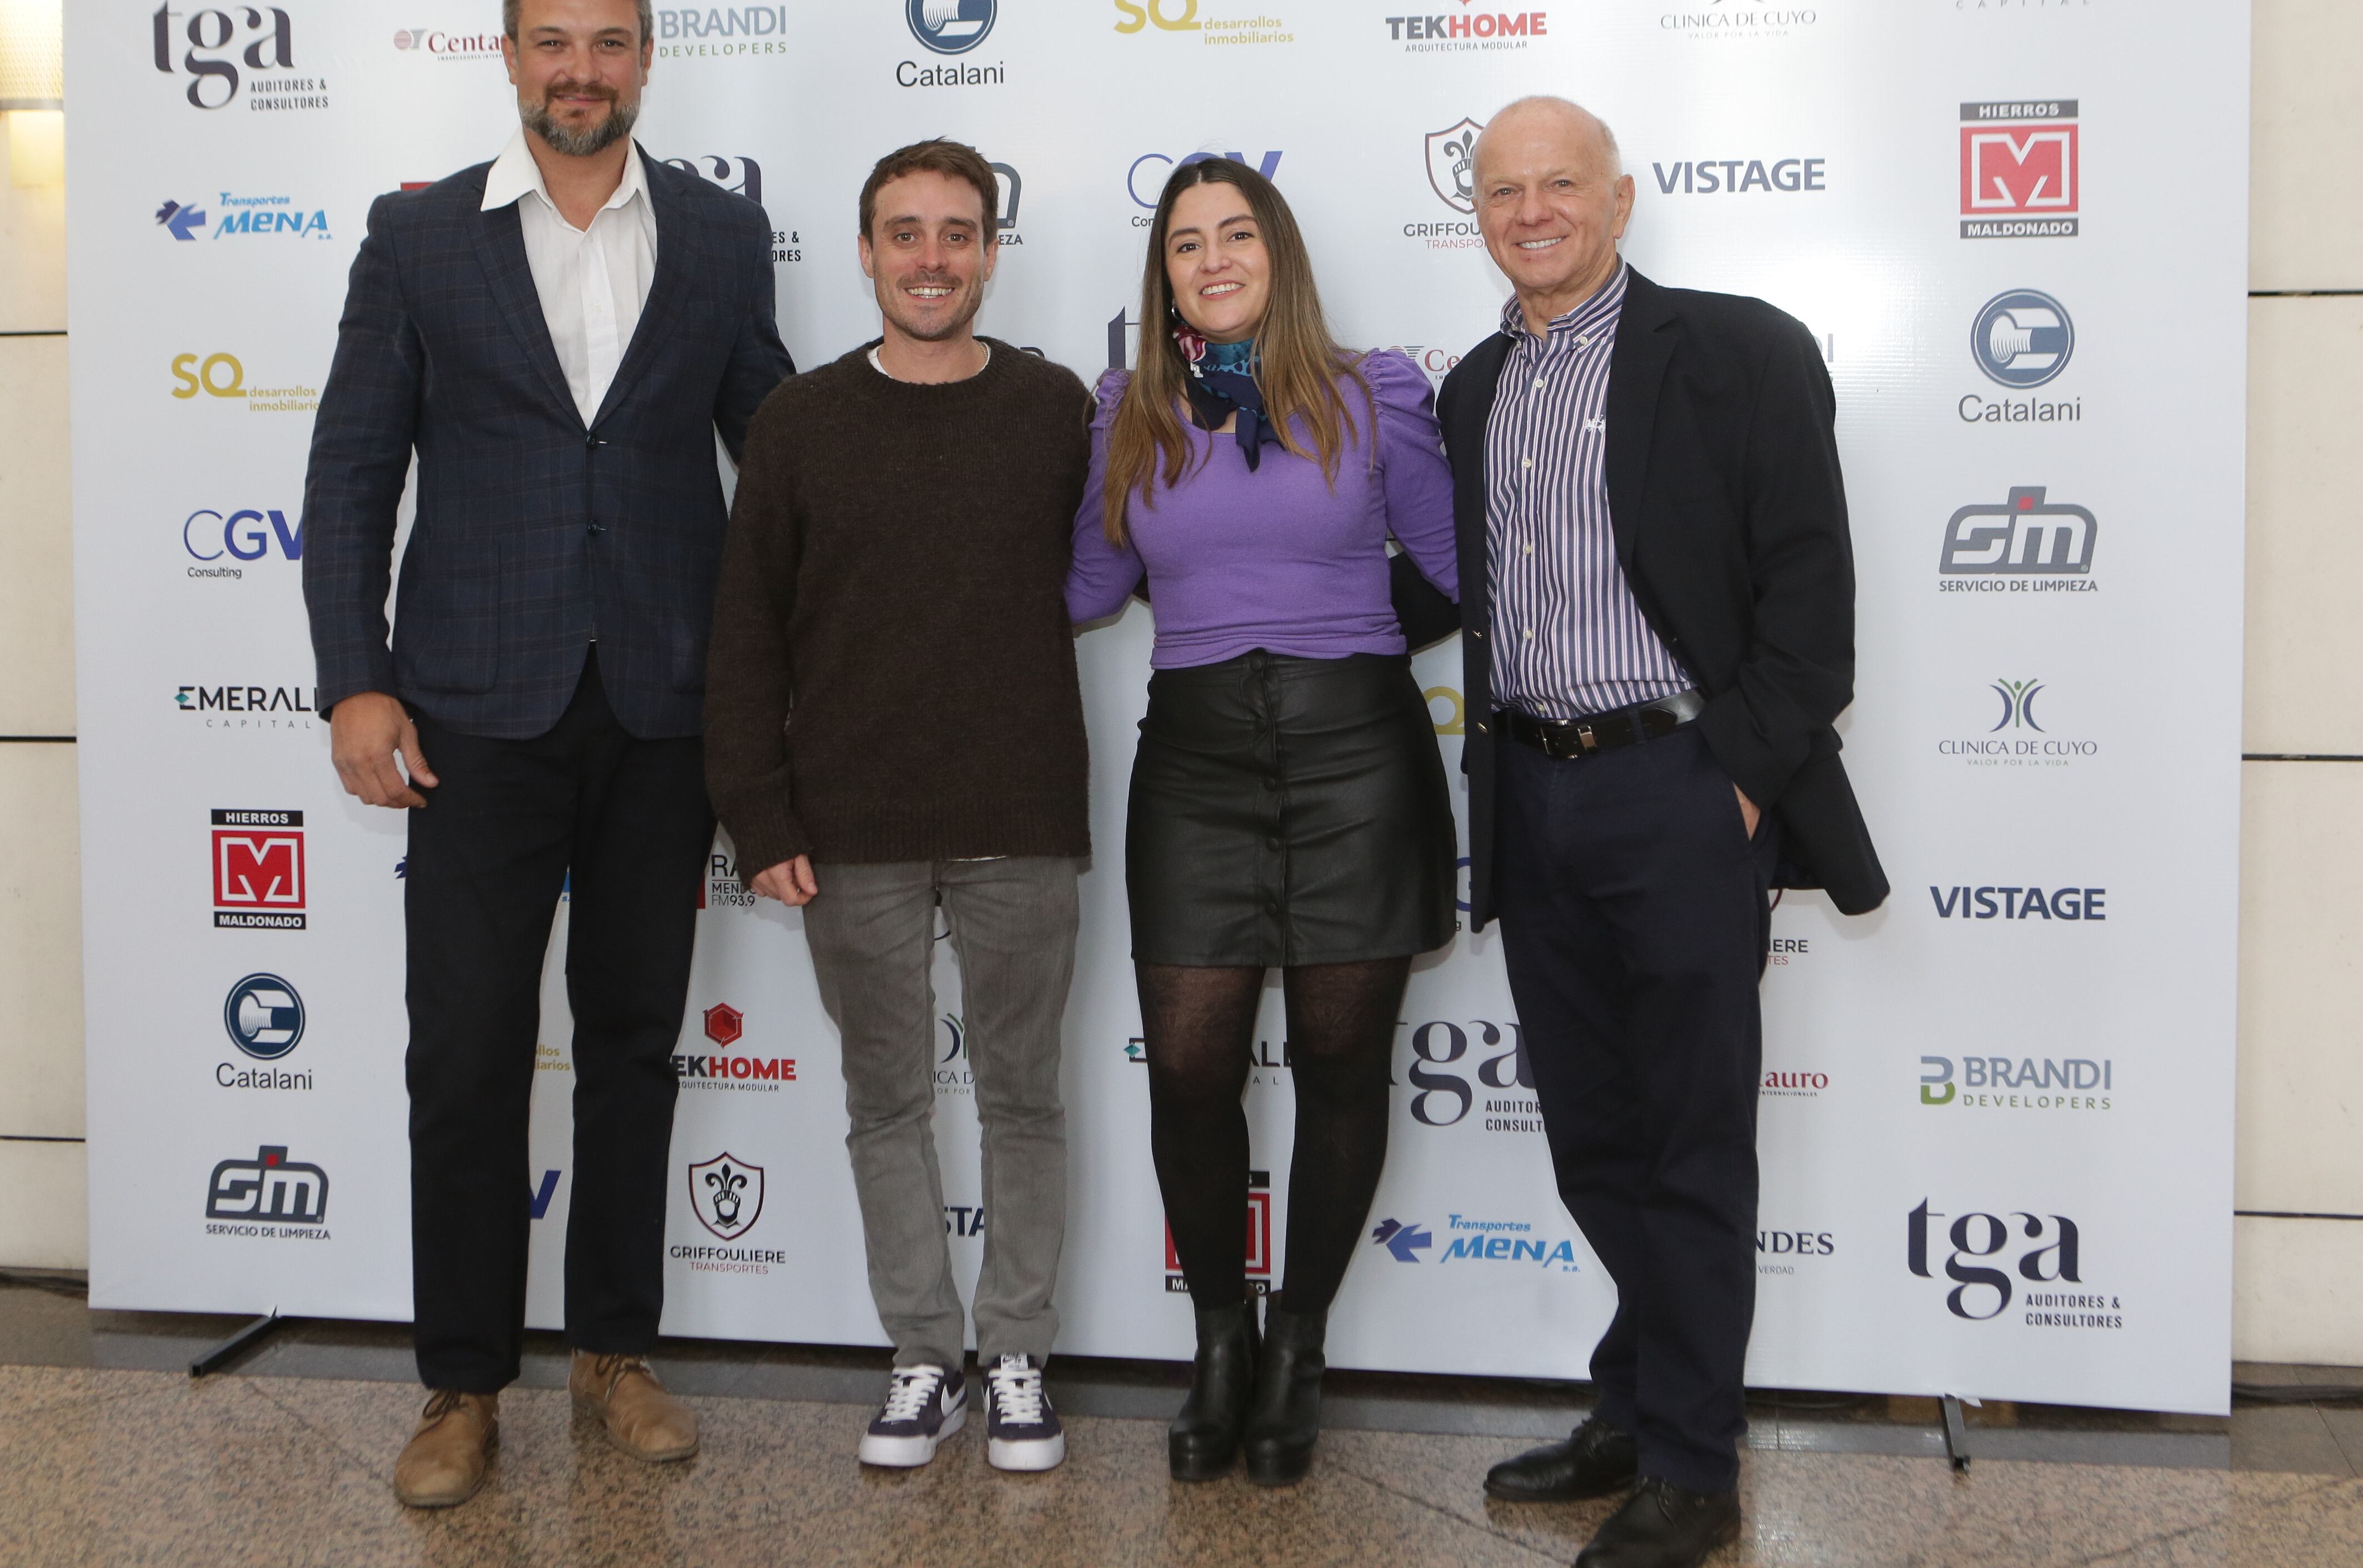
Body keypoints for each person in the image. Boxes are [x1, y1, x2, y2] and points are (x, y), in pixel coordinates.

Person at [302, 0, 794, 1510]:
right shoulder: (420, 238)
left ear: (649, 58)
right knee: (462, 1054)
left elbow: (776, 455)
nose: (581, 68)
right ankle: (462, 1379)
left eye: (610, 42)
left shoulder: (720, 236)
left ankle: (613, 1350)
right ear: (507, 58)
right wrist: (354, 675)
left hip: (661, 707)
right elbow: (350, 475)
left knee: (637, 1047)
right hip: (470, 711)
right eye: (552, 42)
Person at [1437, 97, 1886, 1568]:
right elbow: (1460, 595)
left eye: (1560, 182)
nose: (1531, 210)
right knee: (1593, 1138)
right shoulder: (1473, 387)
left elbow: (1811, 614)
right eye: (1503, 189)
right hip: (1534, 790)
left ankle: (1694, 1464)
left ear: (1620, 196)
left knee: (1691, 1139)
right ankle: (1638, 1403)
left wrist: (1734, 785)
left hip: (1678, 791)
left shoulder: (1741, 352)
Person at [1068, 157, 1460, 1487]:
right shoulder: (1129, 408)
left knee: (1344, 1073)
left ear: (1278, 252)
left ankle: (1300, 1345)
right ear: (1163, 272)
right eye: (1188, 242)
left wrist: (1334, 648)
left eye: (1238, 232)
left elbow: (1454, 570)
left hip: (1358, 757)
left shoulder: (1374, 389)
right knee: (1190, 1071)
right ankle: (1218, 1343)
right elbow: (1085, 585)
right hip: (1192, 764)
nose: (1214, 257)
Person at [706, 139, 1093, 1475]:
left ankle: (1019, 1350)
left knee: (1025, 1098)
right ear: (866, 253)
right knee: (887, 1102)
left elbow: (1130, 554)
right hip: (850, 823)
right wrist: (759, 815)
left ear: (990, 250)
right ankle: (923, 1353)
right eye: (904, 232)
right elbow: (747, 630)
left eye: (957, 232)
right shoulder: (799, 420)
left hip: (1021, 810)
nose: (932, 257)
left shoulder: (1056, 407)